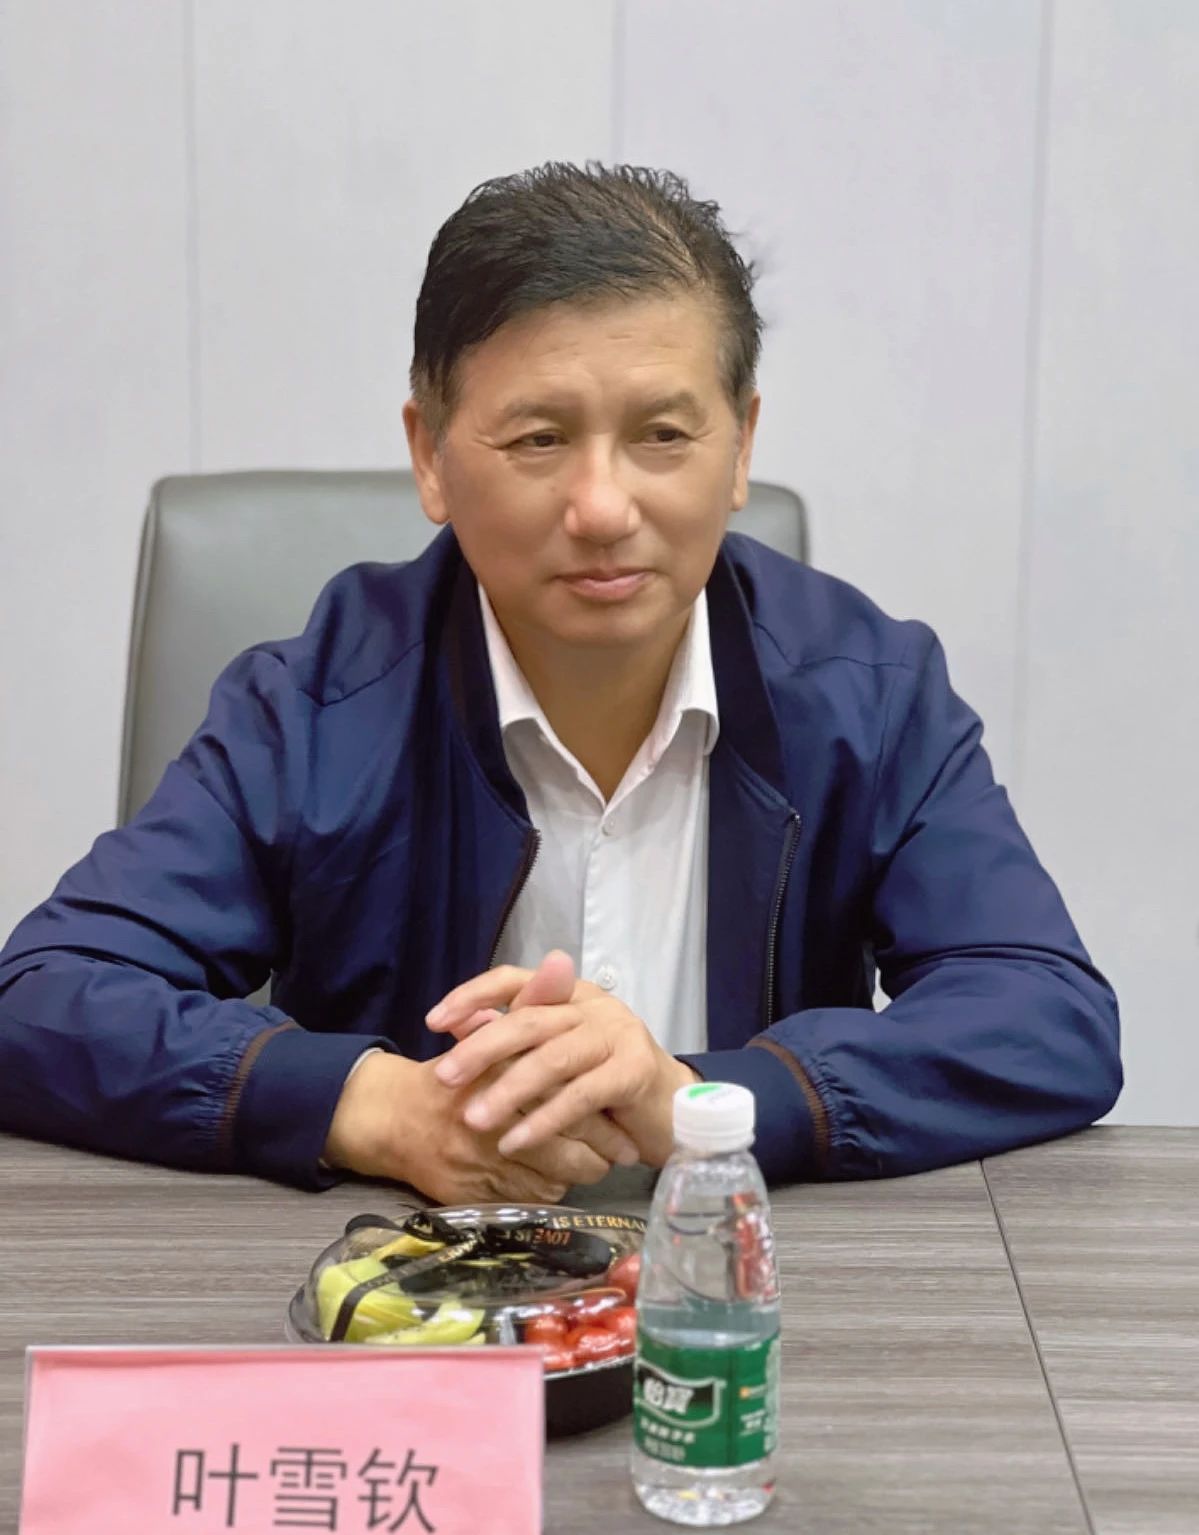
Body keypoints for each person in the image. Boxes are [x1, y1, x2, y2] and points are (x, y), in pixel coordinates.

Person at [0, 163, 1121, 1205]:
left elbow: (1044, 1016)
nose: (600, 507)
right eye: (538, 439)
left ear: (739, 446)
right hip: (405, 1295)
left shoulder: (869, 693)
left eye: (662, 434)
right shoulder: (308, 710)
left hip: (737, 1296)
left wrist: (700, 1101)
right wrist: (374, 1105)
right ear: (431, 455)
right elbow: (41, 995)